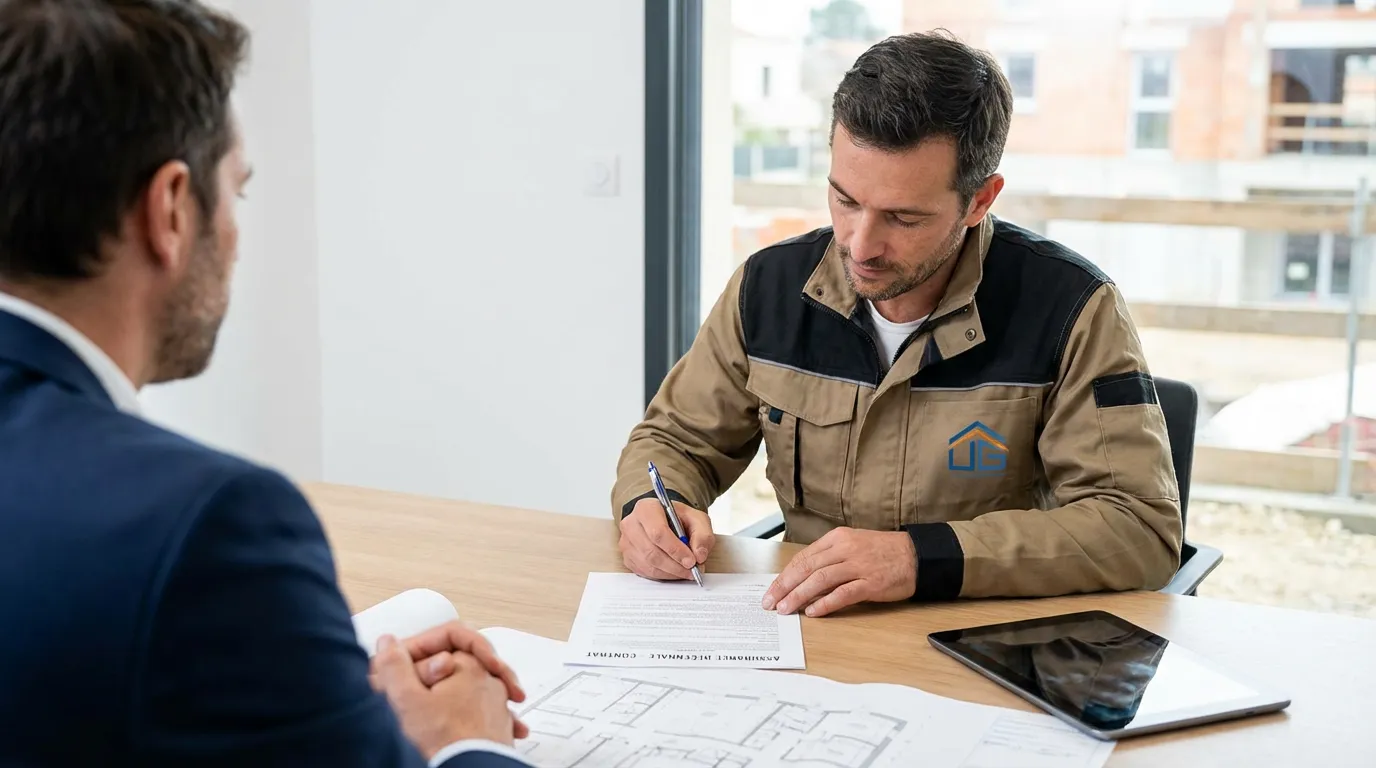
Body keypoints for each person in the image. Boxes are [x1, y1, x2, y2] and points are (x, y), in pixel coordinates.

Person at [0, 2, 531, 766]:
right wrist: (463, 741)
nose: (239, 238)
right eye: (238, 192)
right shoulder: (210, 525)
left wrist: (311, 692)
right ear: (172, 209)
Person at [612, 31, 1182, 618]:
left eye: (903, 218)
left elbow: (1137, 526)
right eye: (844, 200)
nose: (860, 246)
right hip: (807, 633)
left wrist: (919, 558)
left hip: (977, 640)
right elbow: (674, 441)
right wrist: (650, 506)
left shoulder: (1072, 309)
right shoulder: (767, 289)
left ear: (980, 201)